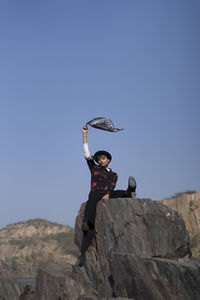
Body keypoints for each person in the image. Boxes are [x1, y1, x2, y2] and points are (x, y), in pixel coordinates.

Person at [79, 124, 136, 267]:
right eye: (99, 158)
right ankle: (83, 253)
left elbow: (111, 187)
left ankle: (130, 191)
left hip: (107, 194)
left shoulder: (114, 174)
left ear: (108, 159)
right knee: (87, 222)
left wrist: (107, 195)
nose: (100, 160)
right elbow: (87, 153)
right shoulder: (94, 168)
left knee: (118, 193)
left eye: (103, 158)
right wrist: (85, 134)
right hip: (94, 195)